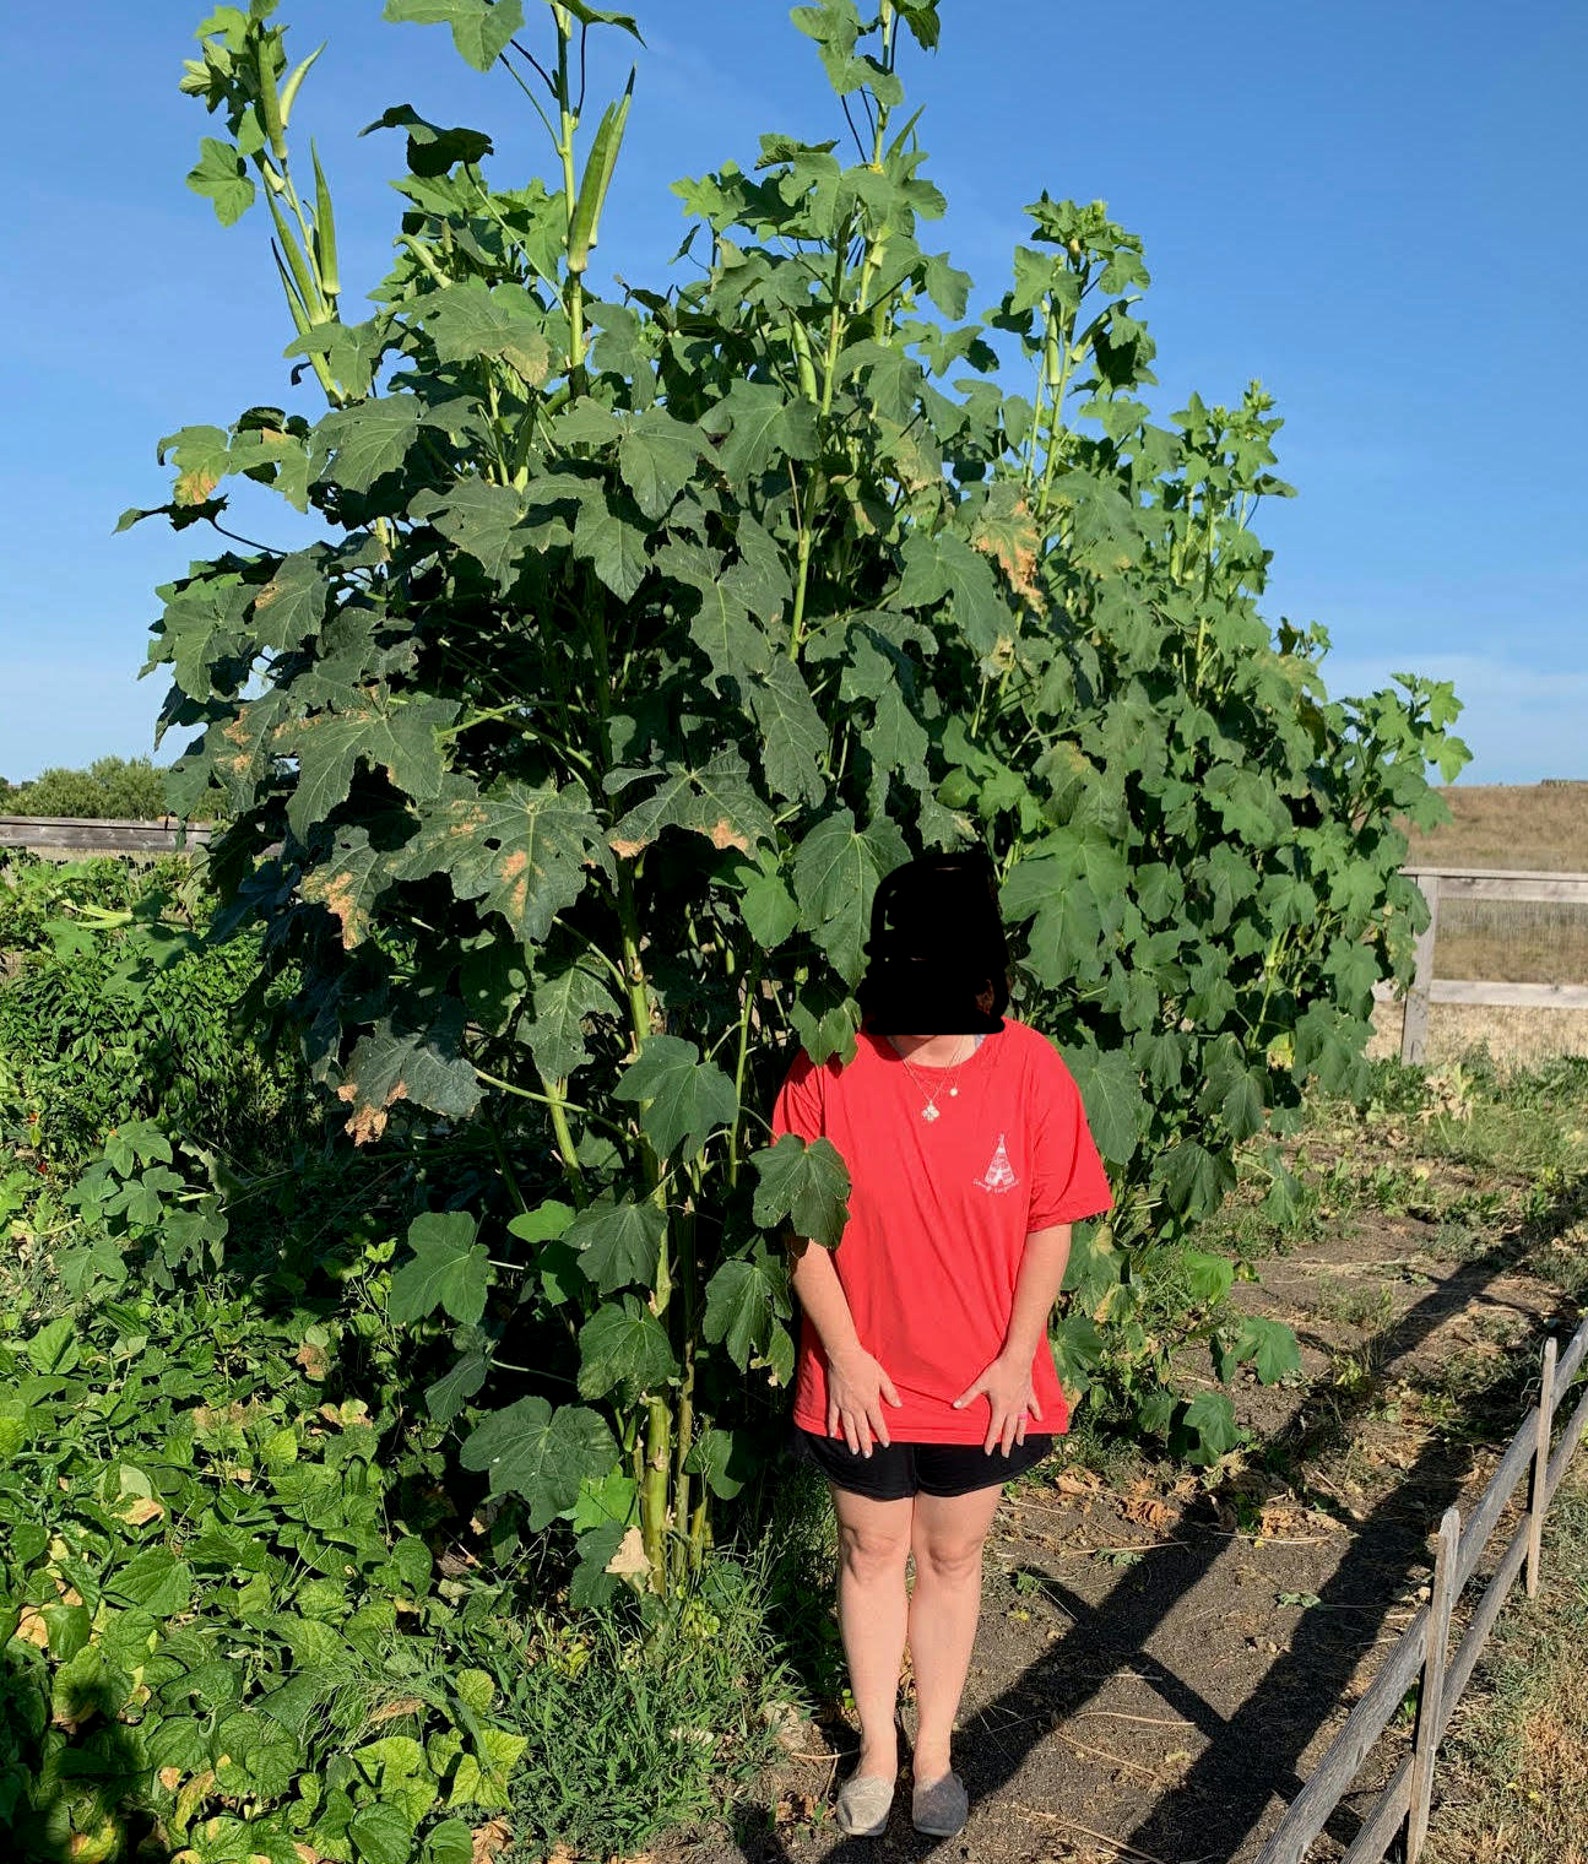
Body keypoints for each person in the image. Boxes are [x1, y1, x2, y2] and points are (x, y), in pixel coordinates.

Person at [770, 846, 1113, 1839]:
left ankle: (934, 1755)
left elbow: (1053, 1217)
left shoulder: (1031, 1068)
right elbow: (797, 1230)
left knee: (953, 1555)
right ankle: (877, 1746)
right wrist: (845, 1353)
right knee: (873, 1545)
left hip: (982, 1379)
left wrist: (1018, 1354)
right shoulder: (828, 1065)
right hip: (859, 1370)